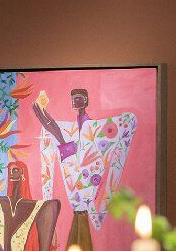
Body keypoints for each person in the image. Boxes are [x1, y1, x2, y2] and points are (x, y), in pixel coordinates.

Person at [34, 88, 137, 230]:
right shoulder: (72, 129)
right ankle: (50, 206)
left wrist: (61, 139)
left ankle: (95, 213)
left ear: (86, 100)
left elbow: (125, 123)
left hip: (88, 178)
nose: (75, 101)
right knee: (51, 130)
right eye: (73, 98)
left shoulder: (94, 127)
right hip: (73, 174)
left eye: (79, 98)